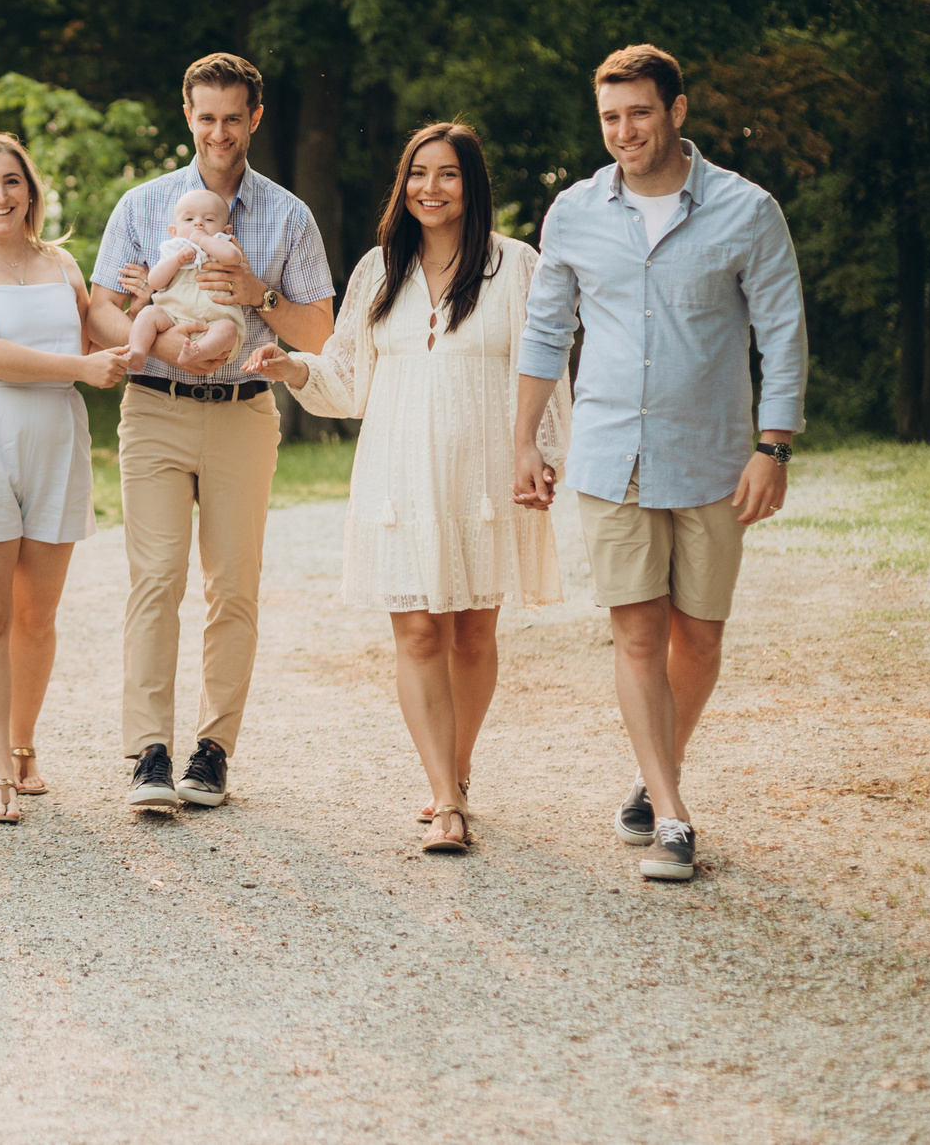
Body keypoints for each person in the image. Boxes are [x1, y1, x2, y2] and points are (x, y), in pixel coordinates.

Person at [514, 44, 806, 884]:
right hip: (612, 455)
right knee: (638, 634)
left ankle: (654, 771)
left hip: (713, 458)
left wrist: (773, 447)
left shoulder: (747, 210)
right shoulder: (573, 212)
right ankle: (672, 817)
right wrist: (524, 440)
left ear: (676, 110)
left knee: (700, 637)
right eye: (610, 116)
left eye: (639, 112)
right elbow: (546, 332)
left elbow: (782, 332)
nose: (624, 130)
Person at [245, 122, 568, 855]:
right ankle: (445, 796)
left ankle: (458, 766)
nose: (431, 187)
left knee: (473, 632)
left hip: (485, 472)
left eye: (447, 173)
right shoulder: (379, 270)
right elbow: (348, 377)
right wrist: (294, 368)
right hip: (398, 474)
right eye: (418, 173)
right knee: (419, 630)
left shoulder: (515, 265)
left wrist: (543, 454)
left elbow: (544, 368)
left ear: (471, 184)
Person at [87, 52, 335, 811]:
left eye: (233, 118)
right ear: (188, 116)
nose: (219, 132)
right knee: (156, 579)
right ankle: (149, 753)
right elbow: (99, 310)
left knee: (233, 588)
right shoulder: (143, 206)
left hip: (243, 413)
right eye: (206, 118)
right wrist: (162, 345)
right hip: (156, 408)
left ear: (254, 118)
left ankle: (212, 751)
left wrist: (258, 292)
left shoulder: (289, 216)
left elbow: (320, 330)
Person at [0, 132, 132, 823]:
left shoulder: (60, 262)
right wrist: (81, 368)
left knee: (37, 614)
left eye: (12, 181)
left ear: (31, 190)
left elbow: (98, 333)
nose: (0, 195)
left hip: (55, 440)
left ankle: (22, 741)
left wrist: (151, 311)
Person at [124, 187, 247, 372]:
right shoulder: (173, 248)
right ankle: (137, 352)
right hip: (172, 317)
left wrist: (203, 240)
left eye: (209, 219)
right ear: (173, 231)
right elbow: (155, 281)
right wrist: (177, 260)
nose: (198, 223)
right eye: (189, 220)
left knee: (228, 329)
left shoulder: (222, 243)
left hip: (215, 322)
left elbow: (233, 257)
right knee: (148, 314)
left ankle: (197, 352)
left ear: (226, 229)